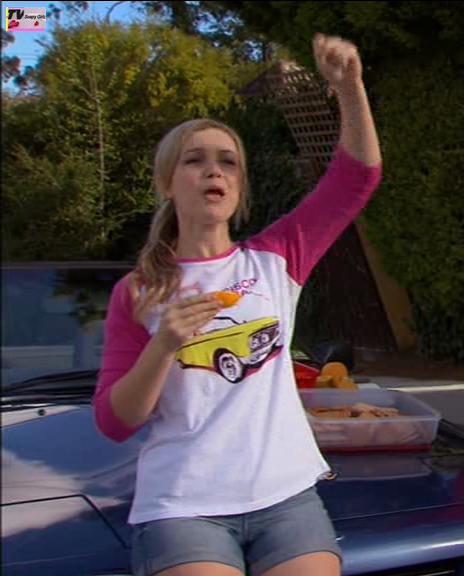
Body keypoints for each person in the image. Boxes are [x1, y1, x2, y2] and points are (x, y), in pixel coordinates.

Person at [93, 33, 381, 576]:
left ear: (240, 185)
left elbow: (357, 178)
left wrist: (350, 88)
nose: (214, 171)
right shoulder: (138, 290)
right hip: (184, 505)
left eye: (228, 162)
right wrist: (164, 344)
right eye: (195, 160)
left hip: (286, 497)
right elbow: (115, 420)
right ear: (167, 182)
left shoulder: (277, 257)